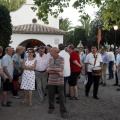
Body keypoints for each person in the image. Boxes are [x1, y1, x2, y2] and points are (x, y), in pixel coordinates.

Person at [47, 47, 67, 118]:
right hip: (51, 80)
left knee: (61, 96)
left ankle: (63, 111)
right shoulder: (50, 59)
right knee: (51, 95)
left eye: (51, 51)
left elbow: (61, 68)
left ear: (55, 52)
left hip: (59, 80)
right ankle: (51, 107)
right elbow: (47, 70)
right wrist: (57, 71)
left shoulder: (61, 59)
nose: (50, 52)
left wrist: (52, 69)